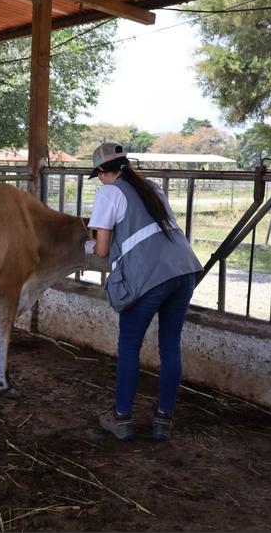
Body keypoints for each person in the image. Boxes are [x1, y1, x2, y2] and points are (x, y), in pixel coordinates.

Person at [85, 142, 203, 442]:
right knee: (170, 345)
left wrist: (86, 244)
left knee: (129, 347)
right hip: (183, 268)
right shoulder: (152, 187)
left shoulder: (109, 192)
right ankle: (164, 419)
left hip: (149, 277)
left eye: (98, 174)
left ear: (101, 171)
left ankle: (122, 418)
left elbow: (100, 249)